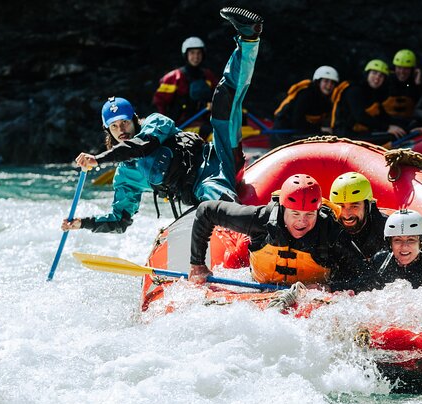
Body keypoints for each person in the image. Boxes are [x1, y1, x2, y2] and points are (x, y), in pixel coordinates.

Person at [61, 7, 264, 234]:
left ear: (135, 120)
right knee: (215, 200)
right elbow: (120, 220)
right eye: (114, 127)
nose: (121, 130)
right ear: (108, 131)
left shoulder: (155, 123)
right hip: (203, 186)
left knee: (224, 99)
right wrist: (82, 223)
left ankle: (248, 37)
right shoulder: (125, 176)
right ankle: (258, 229)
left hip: (220, 155)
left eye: (125, 123)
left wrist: (98, 159)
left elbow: (141, 146)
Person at [188, 174, 374, 292]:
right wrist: (197, 264)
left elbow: (369, 278)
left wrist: (329, 287)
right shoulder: (260, 218)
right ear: (283, 209)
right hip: (258, 290)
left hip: (310, 301)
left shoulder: (331, 231)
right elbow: (206, 211)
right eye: (295, 214)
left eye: (310, 214)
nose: (302, 221)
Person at [331, 59, 406, 146]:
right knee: (391, 136)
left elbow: (384, 116)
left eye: (381, 76)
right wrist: (387, 128)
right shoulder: (354, 90)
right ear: (367, 74)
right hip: (344, 136)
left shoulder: (373, 93)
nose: (377, 77)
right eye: (374, 73)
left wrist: (406, 126)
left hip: (358, 133)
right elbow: (360, 116)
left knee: (396, 134)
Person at [152, 36, 218, 128]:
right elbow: (159, 103)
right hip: (181, 125)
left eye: (199, 53)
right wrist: (164, 126)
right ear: (186, 54)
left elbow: (219, 96)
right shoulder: (174, 77)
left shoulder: (208, 75)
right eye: (192, 53)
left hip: (205, 121)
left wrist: (214, 105)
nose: (196, 56)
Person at [272, 65, 339, 145]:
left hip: (298, 131)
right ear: (318, 81)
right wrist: (320, 129)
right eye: (326, 81)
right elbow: (297, 121)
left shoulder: (326, 99)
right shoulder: (306, 94)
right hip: (284, 132)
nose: (329, 85)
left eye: (332, 83)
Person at [328, 171, 388, 261]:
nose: (346, 215)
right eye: (340, 206)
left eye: (354, 206)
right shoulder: (326, 229)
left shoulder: (387, 229)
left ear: (367, 206)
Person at [383, 49, 422, 123]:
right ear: (394, 68)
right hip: (387, 124)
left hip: (408, 124)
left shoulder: (415, 84)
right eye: (399, 68)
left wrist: (418, 83)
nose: (402, 72)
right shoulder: (386, 81)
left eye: (406, 68)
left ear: (412, 70)